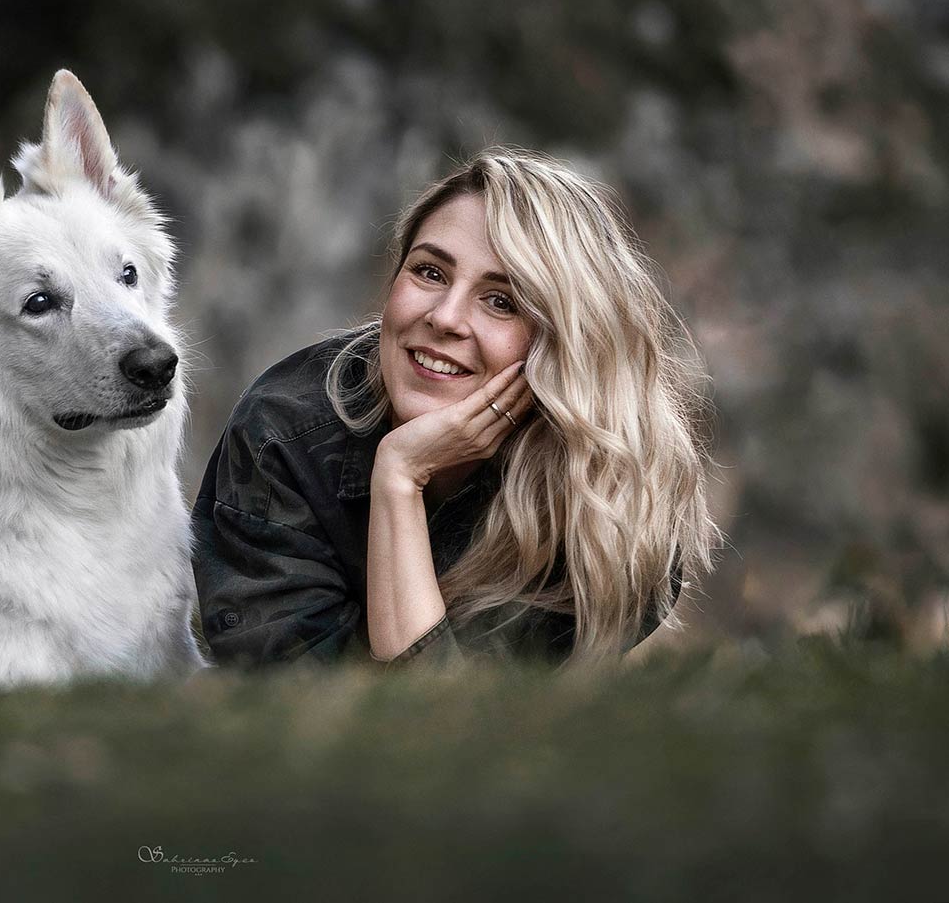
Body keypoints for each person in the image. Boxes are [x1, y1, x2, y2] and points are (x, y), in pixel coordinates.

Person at [191, 149, 719, 668]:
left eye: (502, 301)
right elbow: (311, 718)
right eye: (430, 273)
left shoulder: (613, 495)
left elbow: (455, 730)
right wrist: (400, 476)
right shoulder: (283, 436)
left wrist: (400, 477)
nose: (444, 317)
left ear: (568, 344)